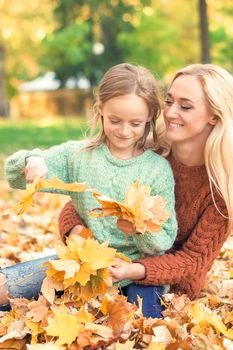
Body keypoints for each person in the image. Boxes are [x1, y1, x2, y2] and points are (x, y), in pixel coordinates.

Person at [2, 63, 177, 318]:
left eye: (135, 123)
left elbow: (166, 236)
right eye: (115, 120)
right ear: (101, 110)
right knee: (5, 286)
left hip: (135, 271)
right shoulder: (79, 156)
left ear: (150, 117)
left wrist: (139, 231)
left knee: (141, 324)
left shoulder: (157, 169)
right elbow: (15, 175)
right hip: (83, 264)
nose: (124, 131)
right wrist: (32, 161)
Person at [58, 63, 233, 301]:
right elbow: (88, 202)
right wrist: (77, 232)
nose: (170, 113)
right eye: (169, 101)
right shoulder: (148, 152)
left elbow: (194, 260)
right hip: (103, 263)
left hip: (167, 287)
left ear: (214, 115)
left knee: (131, 327)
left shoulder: (223, 184)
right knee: (16, 286)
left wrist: (135, 270)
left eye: (186, 106)